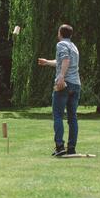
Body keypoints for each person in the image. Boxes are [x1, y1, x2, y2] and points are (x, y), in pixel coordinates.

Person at [38, 24, 81, 157]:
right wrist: (47, 62)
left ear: (60, 33)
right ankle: (72, 147)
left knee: (58, 115)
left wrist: (61, 77)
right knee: (72, 117)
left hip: (64, 84)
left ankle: (60, 146)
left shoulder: (61, 44)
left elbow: (66, 60)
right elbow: (62, 61)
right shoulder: (73, 46)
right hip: (76, 84)